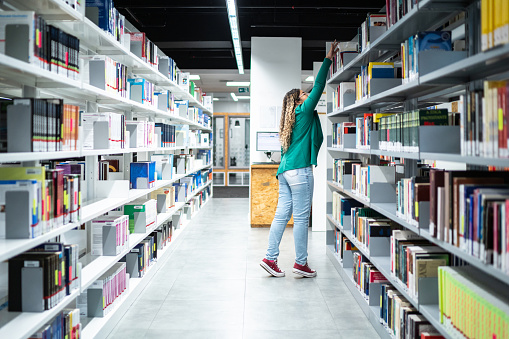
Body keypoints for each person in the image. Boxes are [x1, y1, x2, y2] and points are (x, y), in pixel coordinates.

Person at [260, 41, 339, 278]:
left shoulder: (288, 122)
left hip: (284, 172)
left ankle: (270, 258)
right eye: (304, 94)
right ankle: (301, 263)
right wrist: (328, 58)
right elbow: (319, 85)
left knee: (282, 215)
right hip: (300, 173)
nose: (308, 94)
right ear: (297, 101)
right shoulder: (303, 111)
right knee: (302, 218)